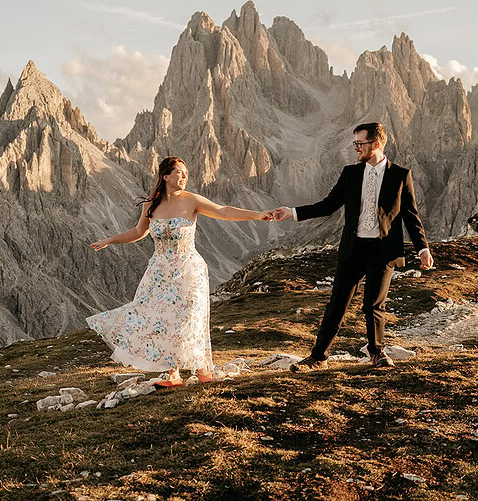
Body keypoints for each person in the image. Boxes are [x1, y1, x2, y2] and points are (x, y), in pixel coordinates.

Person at [88, 156, 273, 387]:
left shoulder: (191, 200)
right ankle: (172, 374)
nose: (185, 177)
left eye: (186, 173)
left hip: (188, 268)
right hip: (159, 271)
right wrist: (109, 240)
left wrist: (258, 215)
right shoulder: (151, 205)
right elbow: (138, 232)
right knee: (161, 317)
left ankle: (203, 369)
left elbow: (223, 211)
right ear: (165, 176)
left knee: (190, 316)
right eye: (179, 172)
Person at [267, 122, 433, 371]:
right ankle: (318, 358)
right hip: (353, 250)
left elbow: (410, 214)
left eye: (360, 143)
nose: (355, 148)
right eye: (355, 143)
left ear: (376, 144)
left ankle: (377, 353)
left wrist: (423, 249)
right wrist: (291, 212)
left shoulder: (400, 174)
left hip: (383, 251)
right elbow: (328, 205)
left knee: (374, 305)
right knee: (337, 304)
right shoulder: (350, 174)